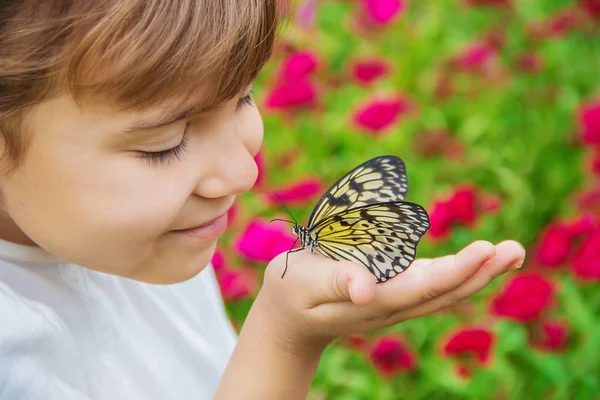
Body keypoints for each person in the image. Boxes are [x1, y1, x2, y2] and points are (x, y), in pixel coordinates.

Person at [0, 1, 525, 399]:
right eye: (163, 144)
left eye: (245, 95)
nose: (244, 173)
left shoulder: (142, 248)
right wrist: (284, 338)